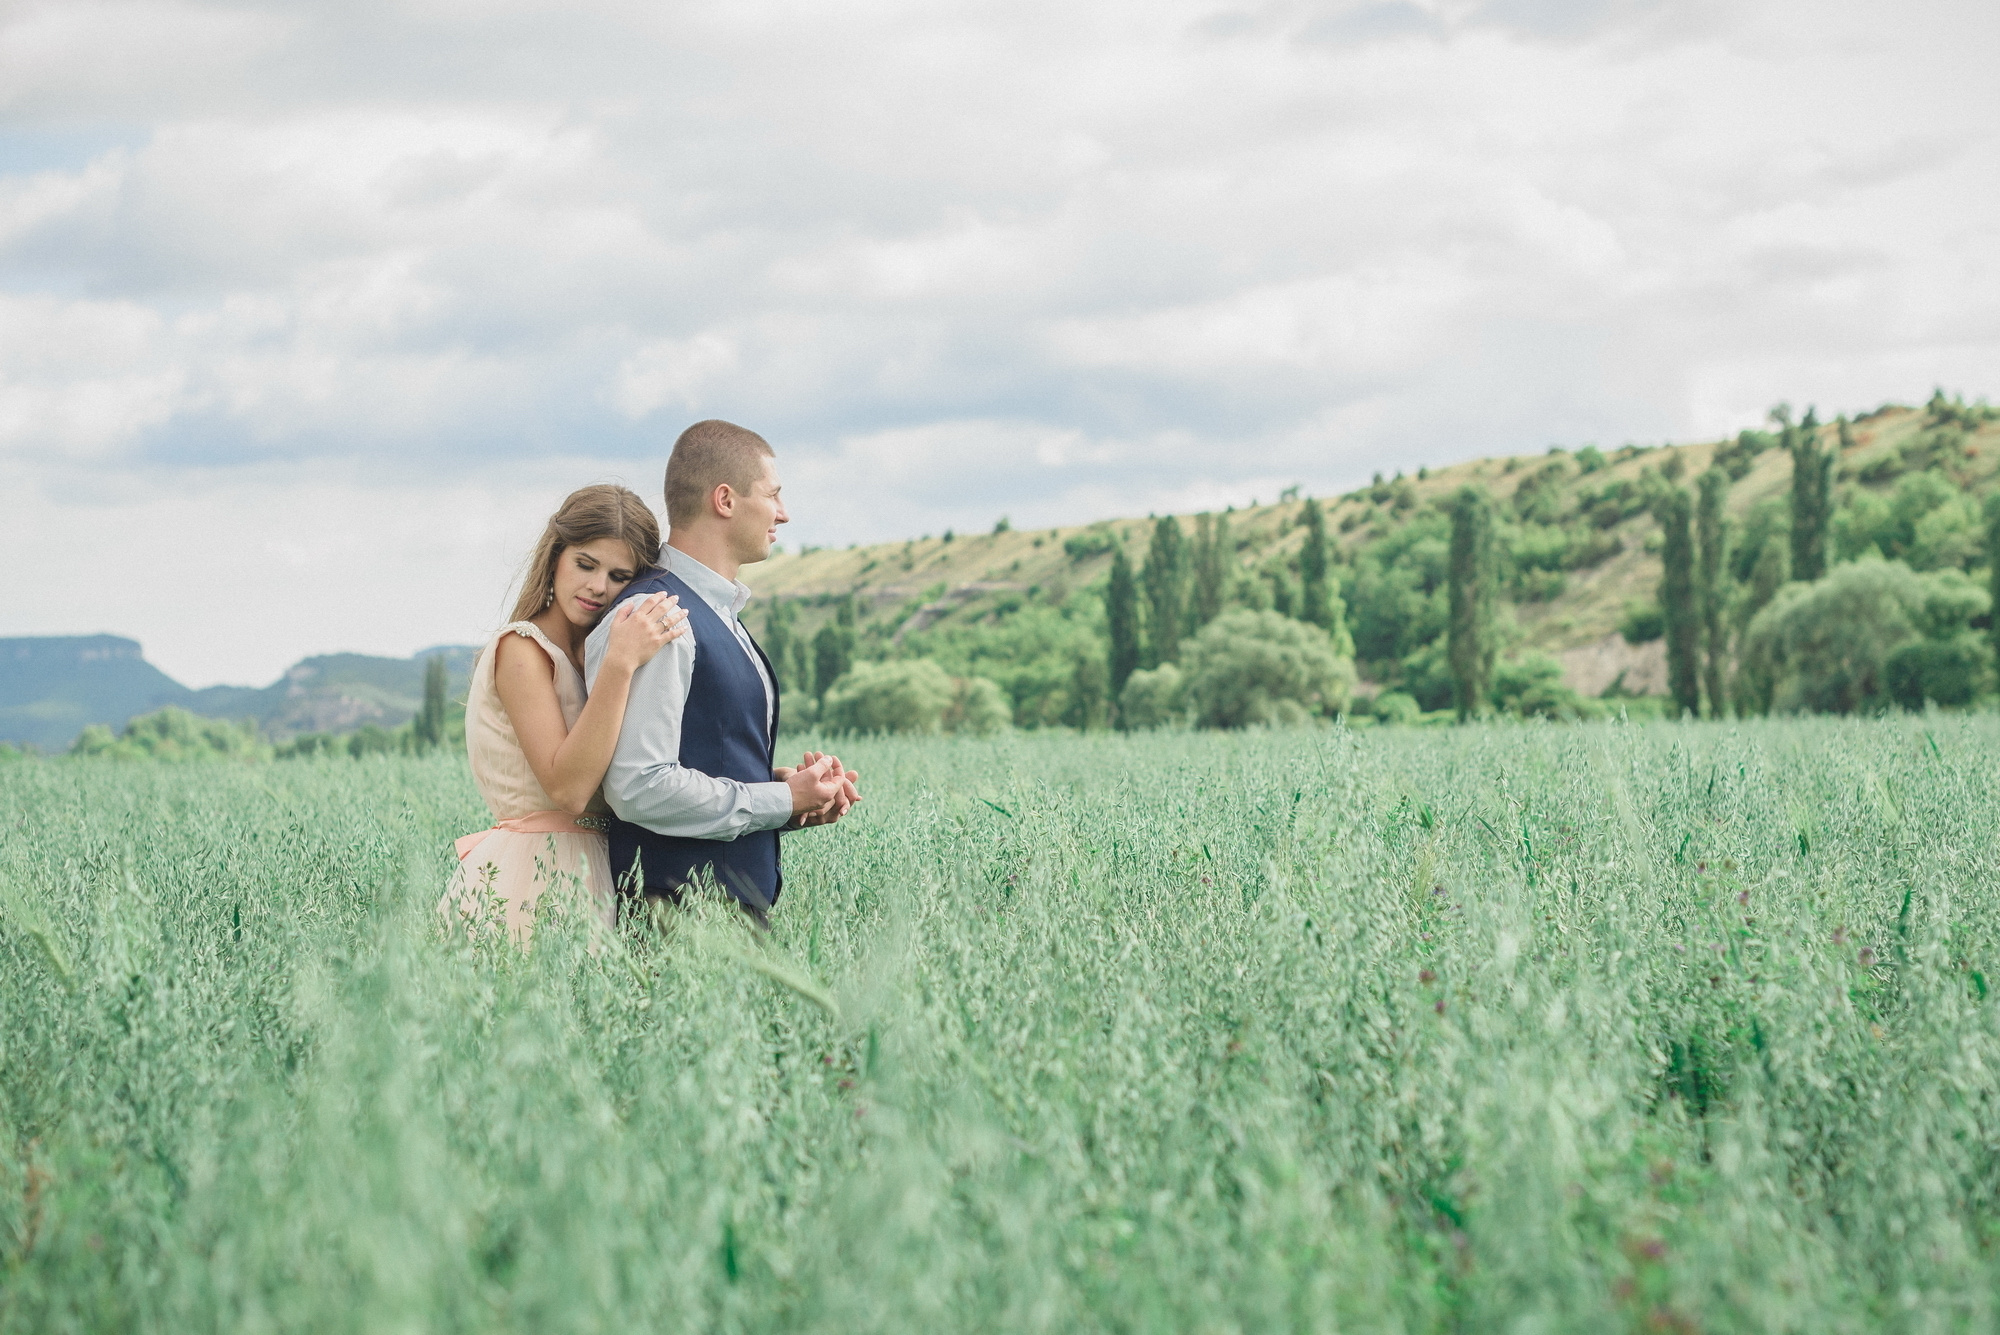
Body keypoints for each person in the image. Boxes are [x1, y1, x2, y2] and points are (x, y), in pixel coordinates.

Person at [586, 420, 859, 926]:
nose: (784, 513)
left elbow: (699, 755)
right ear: (726, 500)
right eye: (773, 495)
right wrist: (780, 798)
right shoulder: (658, 616)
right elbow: (640, 786)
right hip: (678, 917)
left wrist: (792, 795)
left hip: (716, 914)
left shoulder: (715, 613)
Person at [440, 484, 689, 941]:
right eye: (585, 564)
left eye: (619, 576)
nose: (598, 587)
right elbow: (569, 789)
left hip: (603, 873)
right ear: (555, 555)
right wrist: (620, 663)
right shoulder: (523, 649)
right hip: (528, 875)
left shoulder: (596, 654)